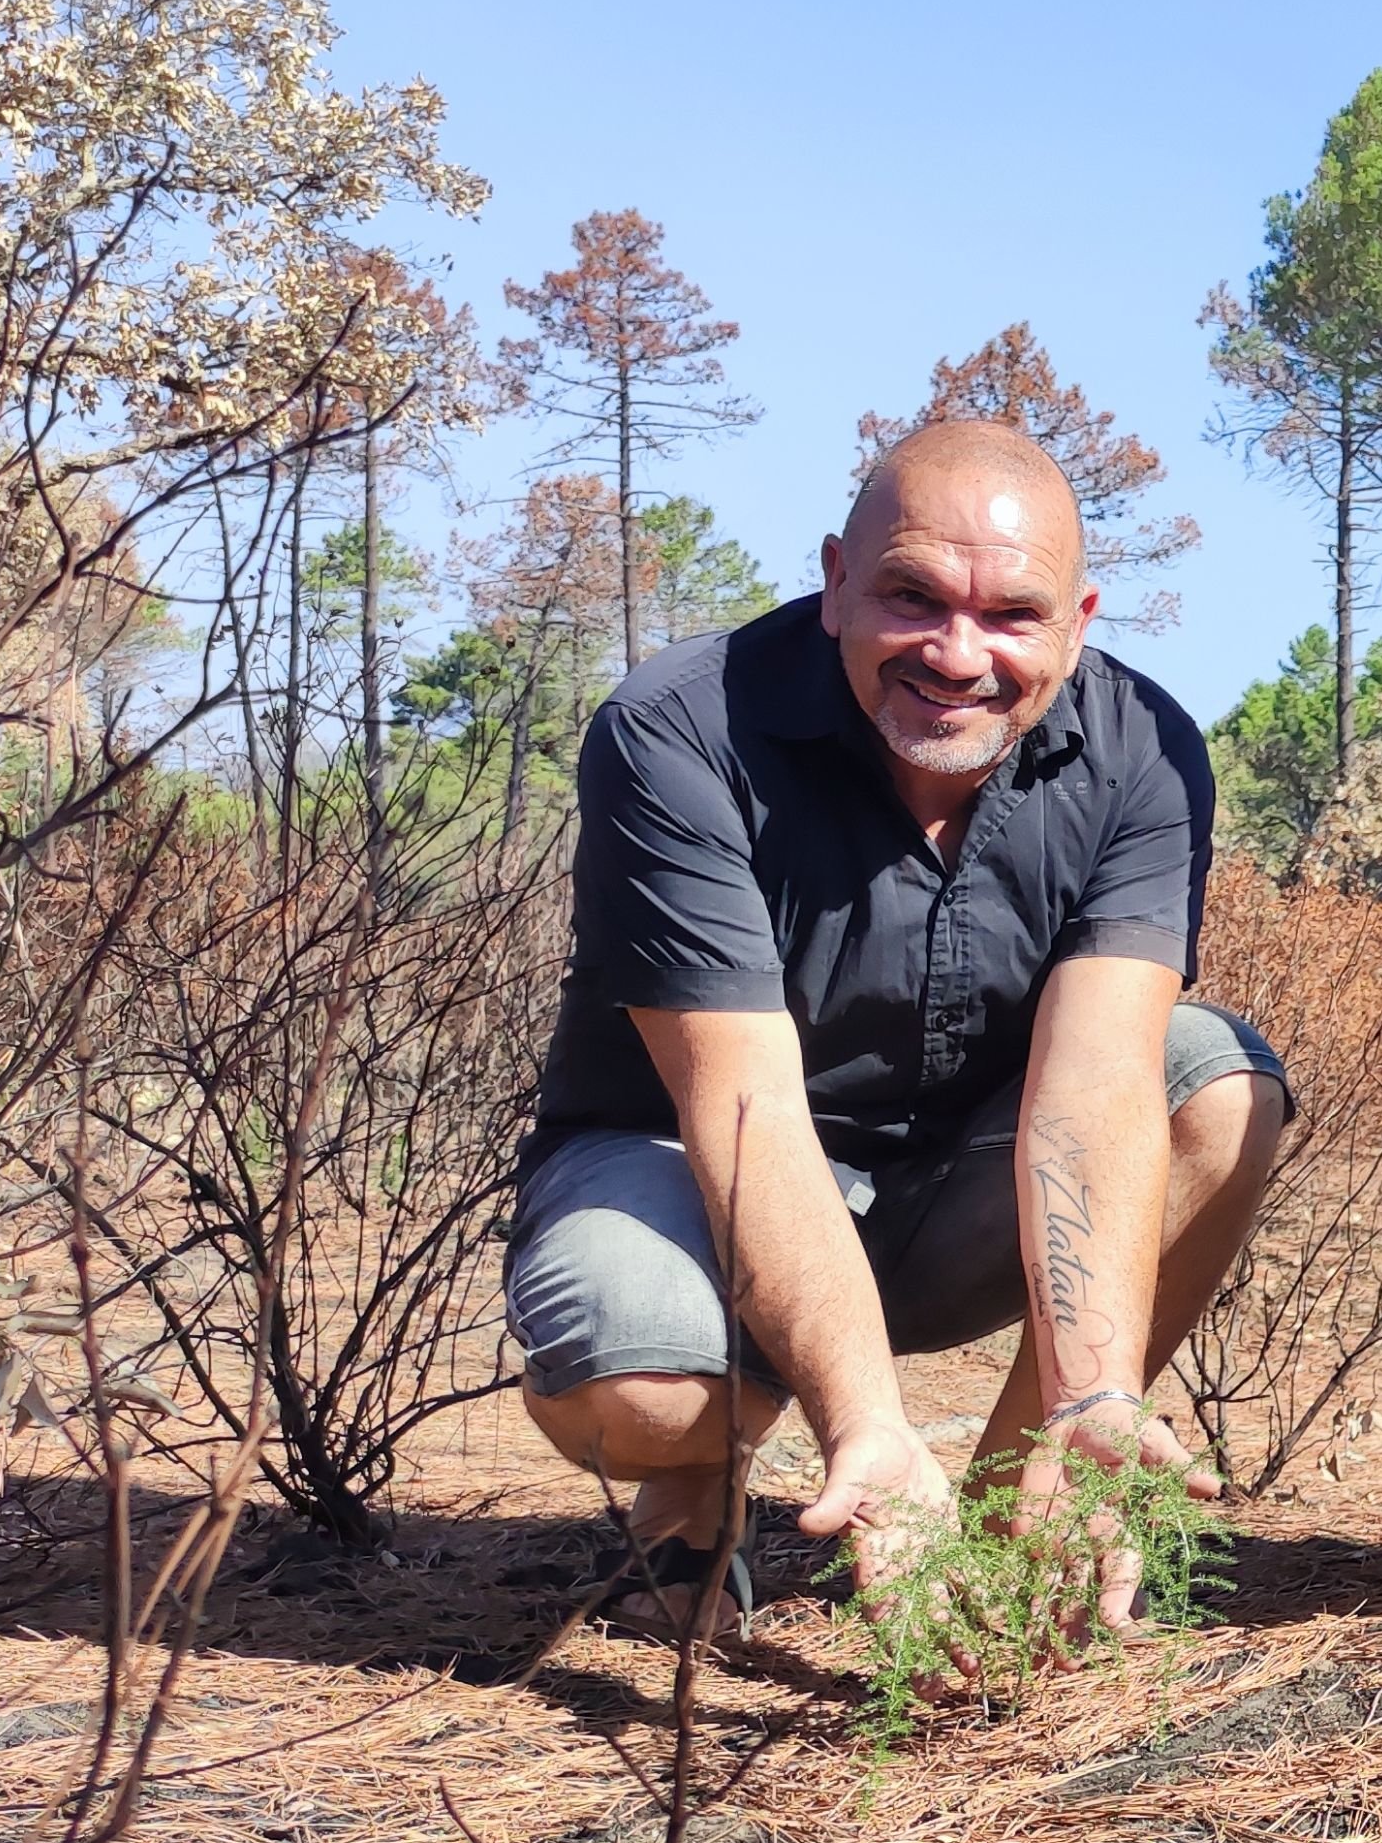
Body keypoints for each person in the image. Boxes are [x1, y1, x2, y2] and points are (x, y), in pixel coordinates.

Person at [501, 419, 1285, 1639]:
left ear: (1078, 622)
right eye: (912, 597)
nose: (957, 655)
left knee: (1217, 1081)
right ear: (834, 587)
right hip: (687, 1168)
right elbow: (744, 1109)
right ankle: (699, 1485)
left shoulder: (1146, 754)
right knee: (644, 1395)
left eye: (1013, 616)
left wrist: (1093, 1390)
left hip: (943, 1190)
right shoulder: (679, 729)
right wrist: (864, 1417)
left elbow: (1096, 1086)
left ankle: (1014, 1510)